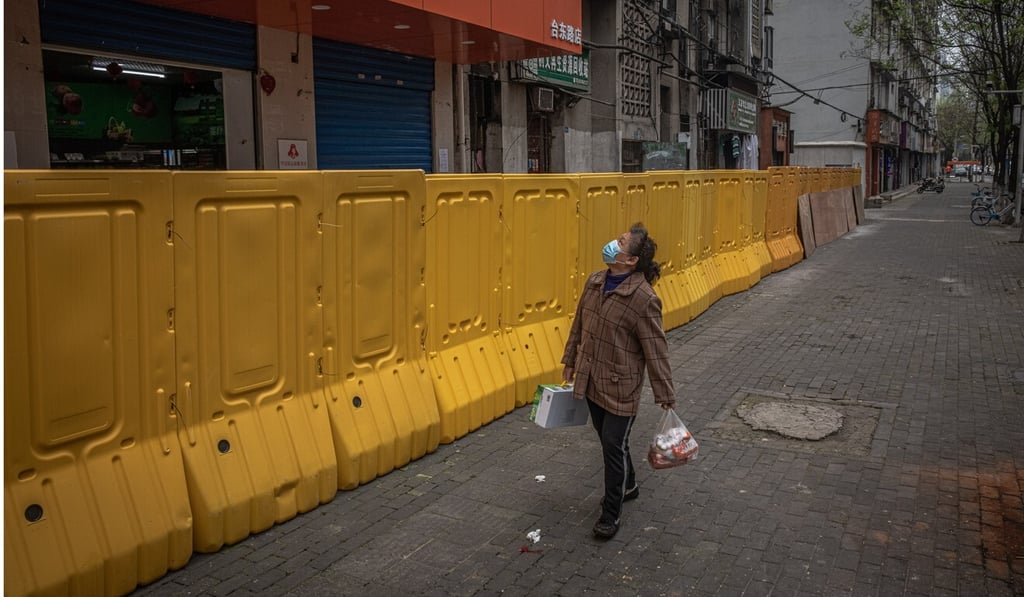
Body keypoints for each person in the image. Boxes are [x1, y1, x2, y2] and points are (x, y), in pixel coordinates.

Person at [560, 223, 677, 540]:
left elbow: (656, 349)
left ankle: (611, 513)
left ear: (630, 261)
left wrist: (664, 392)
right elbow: (579, 325)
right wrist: (570, 360)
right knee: (609, 440)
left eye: (622, 242)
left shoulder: (643, 298)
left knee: (612, 445)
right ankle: (630, 484)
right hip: (591, 379)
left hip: (621, 385)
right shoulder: (596, 281)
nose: (613, 242)